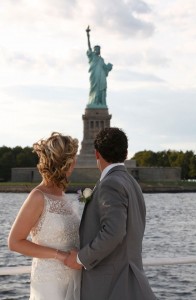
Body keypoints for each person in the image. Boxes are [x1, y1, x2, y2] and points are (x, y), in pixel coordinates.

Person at [65, 127, 157, 300]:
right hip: (130, 280)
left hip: (111, 286)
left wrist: (80, 259)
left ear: (97, 154)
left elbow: (114, 232)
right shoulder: (131, 182)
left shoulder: (110, 183)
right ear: (126, 152)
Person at [8, 132, 82, 300]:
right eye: (73, 158)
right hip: (49, 284)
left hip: (74, 280)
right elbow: (14, 242)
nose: (75, 163)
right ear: (65, 163)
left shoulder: (63, 197)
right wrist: (60, 255)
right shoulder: (38, 196)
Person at [86, 26, 113, 107]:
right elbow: (89, 46)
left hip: (101, 77)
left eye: (99, 49)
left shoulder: (101, 59)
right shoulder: (92, 56)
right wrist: (88, 35)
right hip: (94, 76)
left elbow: (105, 68)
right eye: (97, 49)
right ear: (94, 50)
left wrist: (109, 67)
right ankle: (94, 103)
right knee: (94, 89)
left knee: (101, 89)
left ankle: (100, 103)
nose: (98, 50)